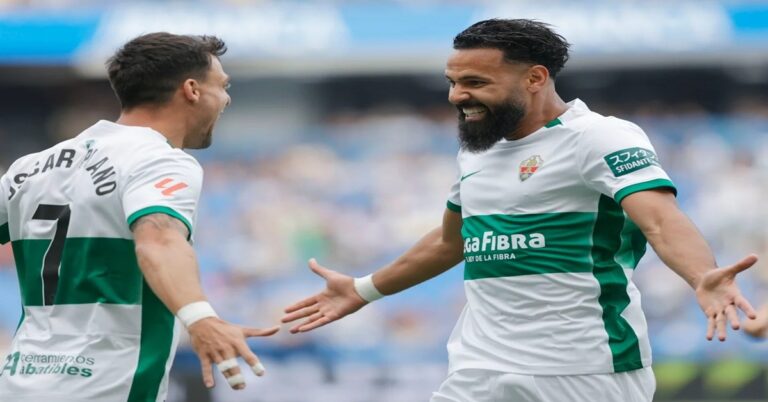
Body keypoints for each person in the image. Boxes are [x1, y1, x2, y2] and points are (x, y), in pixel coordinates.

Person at [281, 19, 758, 402]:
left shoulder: (600, 137)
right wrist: (365, 290)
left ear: (535, 78)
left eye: (475, 82)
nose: (456, 96)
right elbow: (454, 239)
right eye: (452, 82)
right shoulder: (477, 150)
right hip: (478, 367)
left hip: (584, 370)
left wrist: (702, 276)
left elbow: (660, 218)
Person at [0, 32, 278, 401]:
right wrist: (200, 317)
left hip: (20, 383)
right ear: (192, 89)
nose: (226, 99)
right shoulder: (159, 159)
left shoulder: (30, 167)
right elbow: (158, 239)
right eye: (223, 86)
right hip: (103, 387)